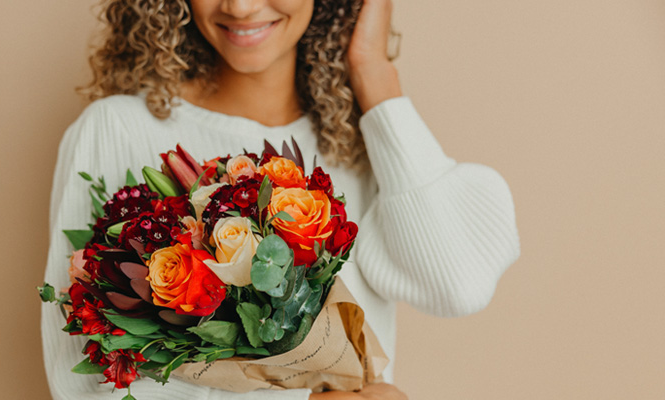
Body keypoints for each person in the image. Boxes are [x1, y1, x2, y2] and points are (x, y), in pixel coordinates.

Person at [41, 0, 521, 399]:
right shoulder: (118, 129)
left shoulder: (362, 147)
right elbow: (83, 381)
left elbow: (459, 285)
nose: (240, 7)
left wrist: (373, 71)